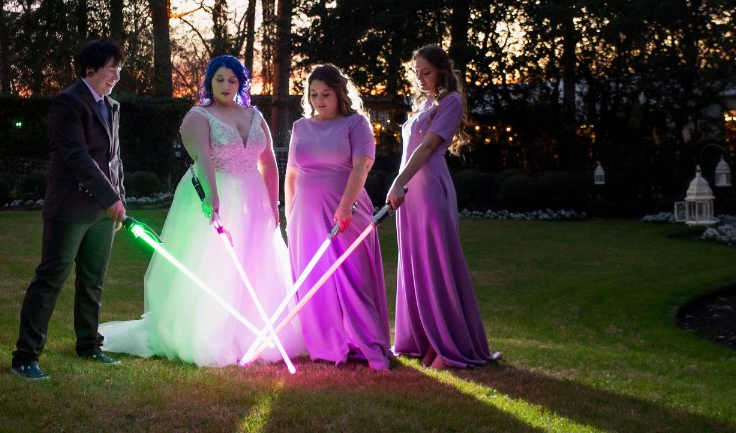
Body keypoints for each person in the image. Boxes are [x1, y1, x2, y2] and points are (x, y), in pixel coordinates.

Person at [100, 55, 305, 367]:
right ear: (210, 81)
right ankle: (208, 333)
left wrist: (273, 202)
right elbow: (203, 159)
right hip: (215, 190)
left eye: (232, 80)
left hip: (254, 197)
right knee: (217, 264)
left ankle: (253, 335)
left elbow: (267, 161)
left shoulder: (254, 115)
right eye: (219, 79)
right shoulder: (199, 116)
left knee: (256, 263)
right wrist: (212, 196)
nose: (225, 85)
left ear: (241, 83)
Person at [11, 38, 128, 381]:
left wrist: (119, 196)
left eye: (119, 69)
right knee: (50, 279)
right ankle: (24, 357)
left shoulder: (112, 106)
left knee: (93, 281)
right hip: (69, 208)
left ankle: (89, 345)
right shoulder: (67, 103)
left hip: (102, 213)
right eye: (111, 69)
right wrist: (111, 198)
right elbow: (77, 156)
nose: (116, 76)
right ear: (90, 70)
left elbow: (113, 159)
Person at [385, 45, 500, 369]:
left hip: (430, 190)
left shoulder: (451, 101)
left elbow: (426, 148)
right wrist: (402, 184)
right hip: (410, 193)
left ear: (442, 71)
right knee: (413, 263)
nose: (421, 78)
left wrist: (398, 181)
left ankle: (446, 345)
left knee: (436, 263)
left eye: (427, 72)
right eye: (417, 73)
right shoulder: (423, 103)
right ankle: (420, 340)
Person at [285, 64, 391, 370]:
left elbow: (362, 165)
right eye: (314, 94)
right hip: (305, 213)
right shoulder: (300, 128)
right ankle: (328, 346)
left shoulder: (356, 124)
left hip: (347, 210)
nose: (319, 100)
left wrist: (345, 205)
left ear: (339, 94)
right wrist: (289, 213)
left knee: (352, 280)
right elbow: (291, 173)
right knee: (314, 281)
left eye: (326, 94)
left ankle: (372, 348)